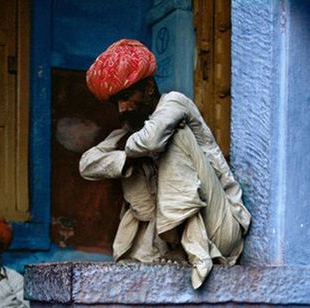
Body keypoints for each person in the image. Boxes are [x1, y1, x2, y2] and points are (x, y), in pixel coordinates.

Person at [80, 39, 251, 289]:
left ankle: (197, 252)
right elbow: (87, 165)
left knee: (171, 138)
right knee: (129, 161)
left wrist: (127, 149)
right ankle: (170, 245)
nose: (122, 109)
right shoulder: (129, 130)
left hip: (220, 233)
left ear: (149, 87)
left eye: (126, 97)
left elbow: (150, 141)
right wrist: (126, 158)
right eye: (115, 102)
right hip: (168, 244)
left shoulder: (174, 103)